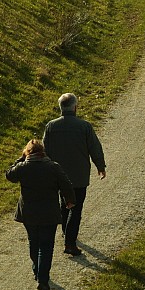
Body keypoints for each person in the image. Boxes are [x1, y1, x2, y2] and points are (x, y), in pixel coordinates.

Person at [6, 139, 75, 290]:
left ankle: (37, 270)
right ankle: (43, 280)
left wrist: (21, 158)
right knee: (46, 246)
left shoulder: (23, 167)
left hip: (29, 213)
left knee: (33, 241)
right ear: (43, 152)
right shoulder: (53, 167)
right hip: (49, 213)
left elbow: (9, 175)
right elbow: (66, 184)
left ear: (27, 152)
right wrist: (69, 200)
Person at [43, 93, 106, 256]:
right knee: (75, 208)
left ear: (60, 108)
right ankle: (70, 243)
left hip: (57, 175)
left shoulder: (51, 126)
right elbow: (94, 148)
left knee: (64, 203)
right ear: (75, 107)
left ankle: (66, 231)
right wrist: (100, 166)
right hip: (78, 176)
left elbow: (45, 151)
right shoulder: (84, 126)